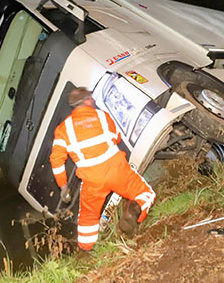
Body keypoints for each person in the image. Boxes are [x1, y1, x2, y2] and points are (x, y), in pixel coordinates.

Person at [49, 87, 156, 251]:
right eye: (90, 97)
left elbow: (56, 160)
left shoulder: (63, 129)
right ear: (86, 101)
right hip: (116, 168)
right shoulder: (102, 116)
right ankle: (133, 209)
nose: (93, 100)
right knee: (145, 193)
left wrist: (63, 186)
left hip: (92, 178)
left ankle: (86, 250)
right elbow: (116, 136)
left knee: (88, 216)